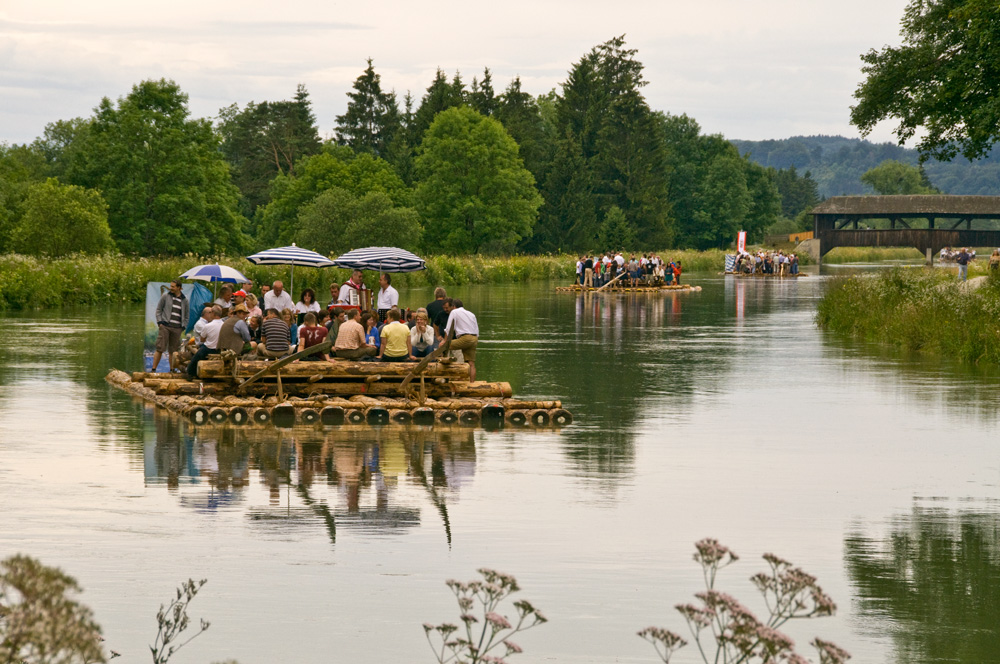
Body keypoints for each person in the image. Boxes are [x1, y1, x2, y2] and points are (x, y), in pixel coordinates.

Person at [153, 281, 189, 373]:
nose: (171, 288)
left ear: (179, 288)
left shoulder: (185, 300)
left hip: (177, 328)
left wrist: (183, 326)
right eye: (170, 286)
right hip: (165, 326)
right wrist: (160, 322)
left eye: (173, 286)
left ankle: (172, 369)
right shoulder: (165, 296)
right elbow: (158, 309)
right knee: (160, 348)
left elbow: (187, 315)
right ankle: (153, 369)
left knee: (173, 350)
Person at [444, 299, 479, 381]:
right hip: (474, 338)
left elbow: (448, 329)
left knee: (445, 347)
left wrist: (444, 341)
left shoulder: (454, 312)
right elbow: (477, 330)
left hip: (465, 338)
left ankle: (444, 375)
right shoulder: (471, 314)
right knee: (471, 363)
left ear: (453, 306)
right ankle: (472, 384)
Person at [186, 305, 225, 378]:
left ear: (213, 313)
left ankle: (190, 374)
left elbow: (202, 339)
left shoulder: (208, 326)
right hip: (219, 349)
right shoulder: (224, 325)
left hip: (209, 348)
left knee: (195, 358)